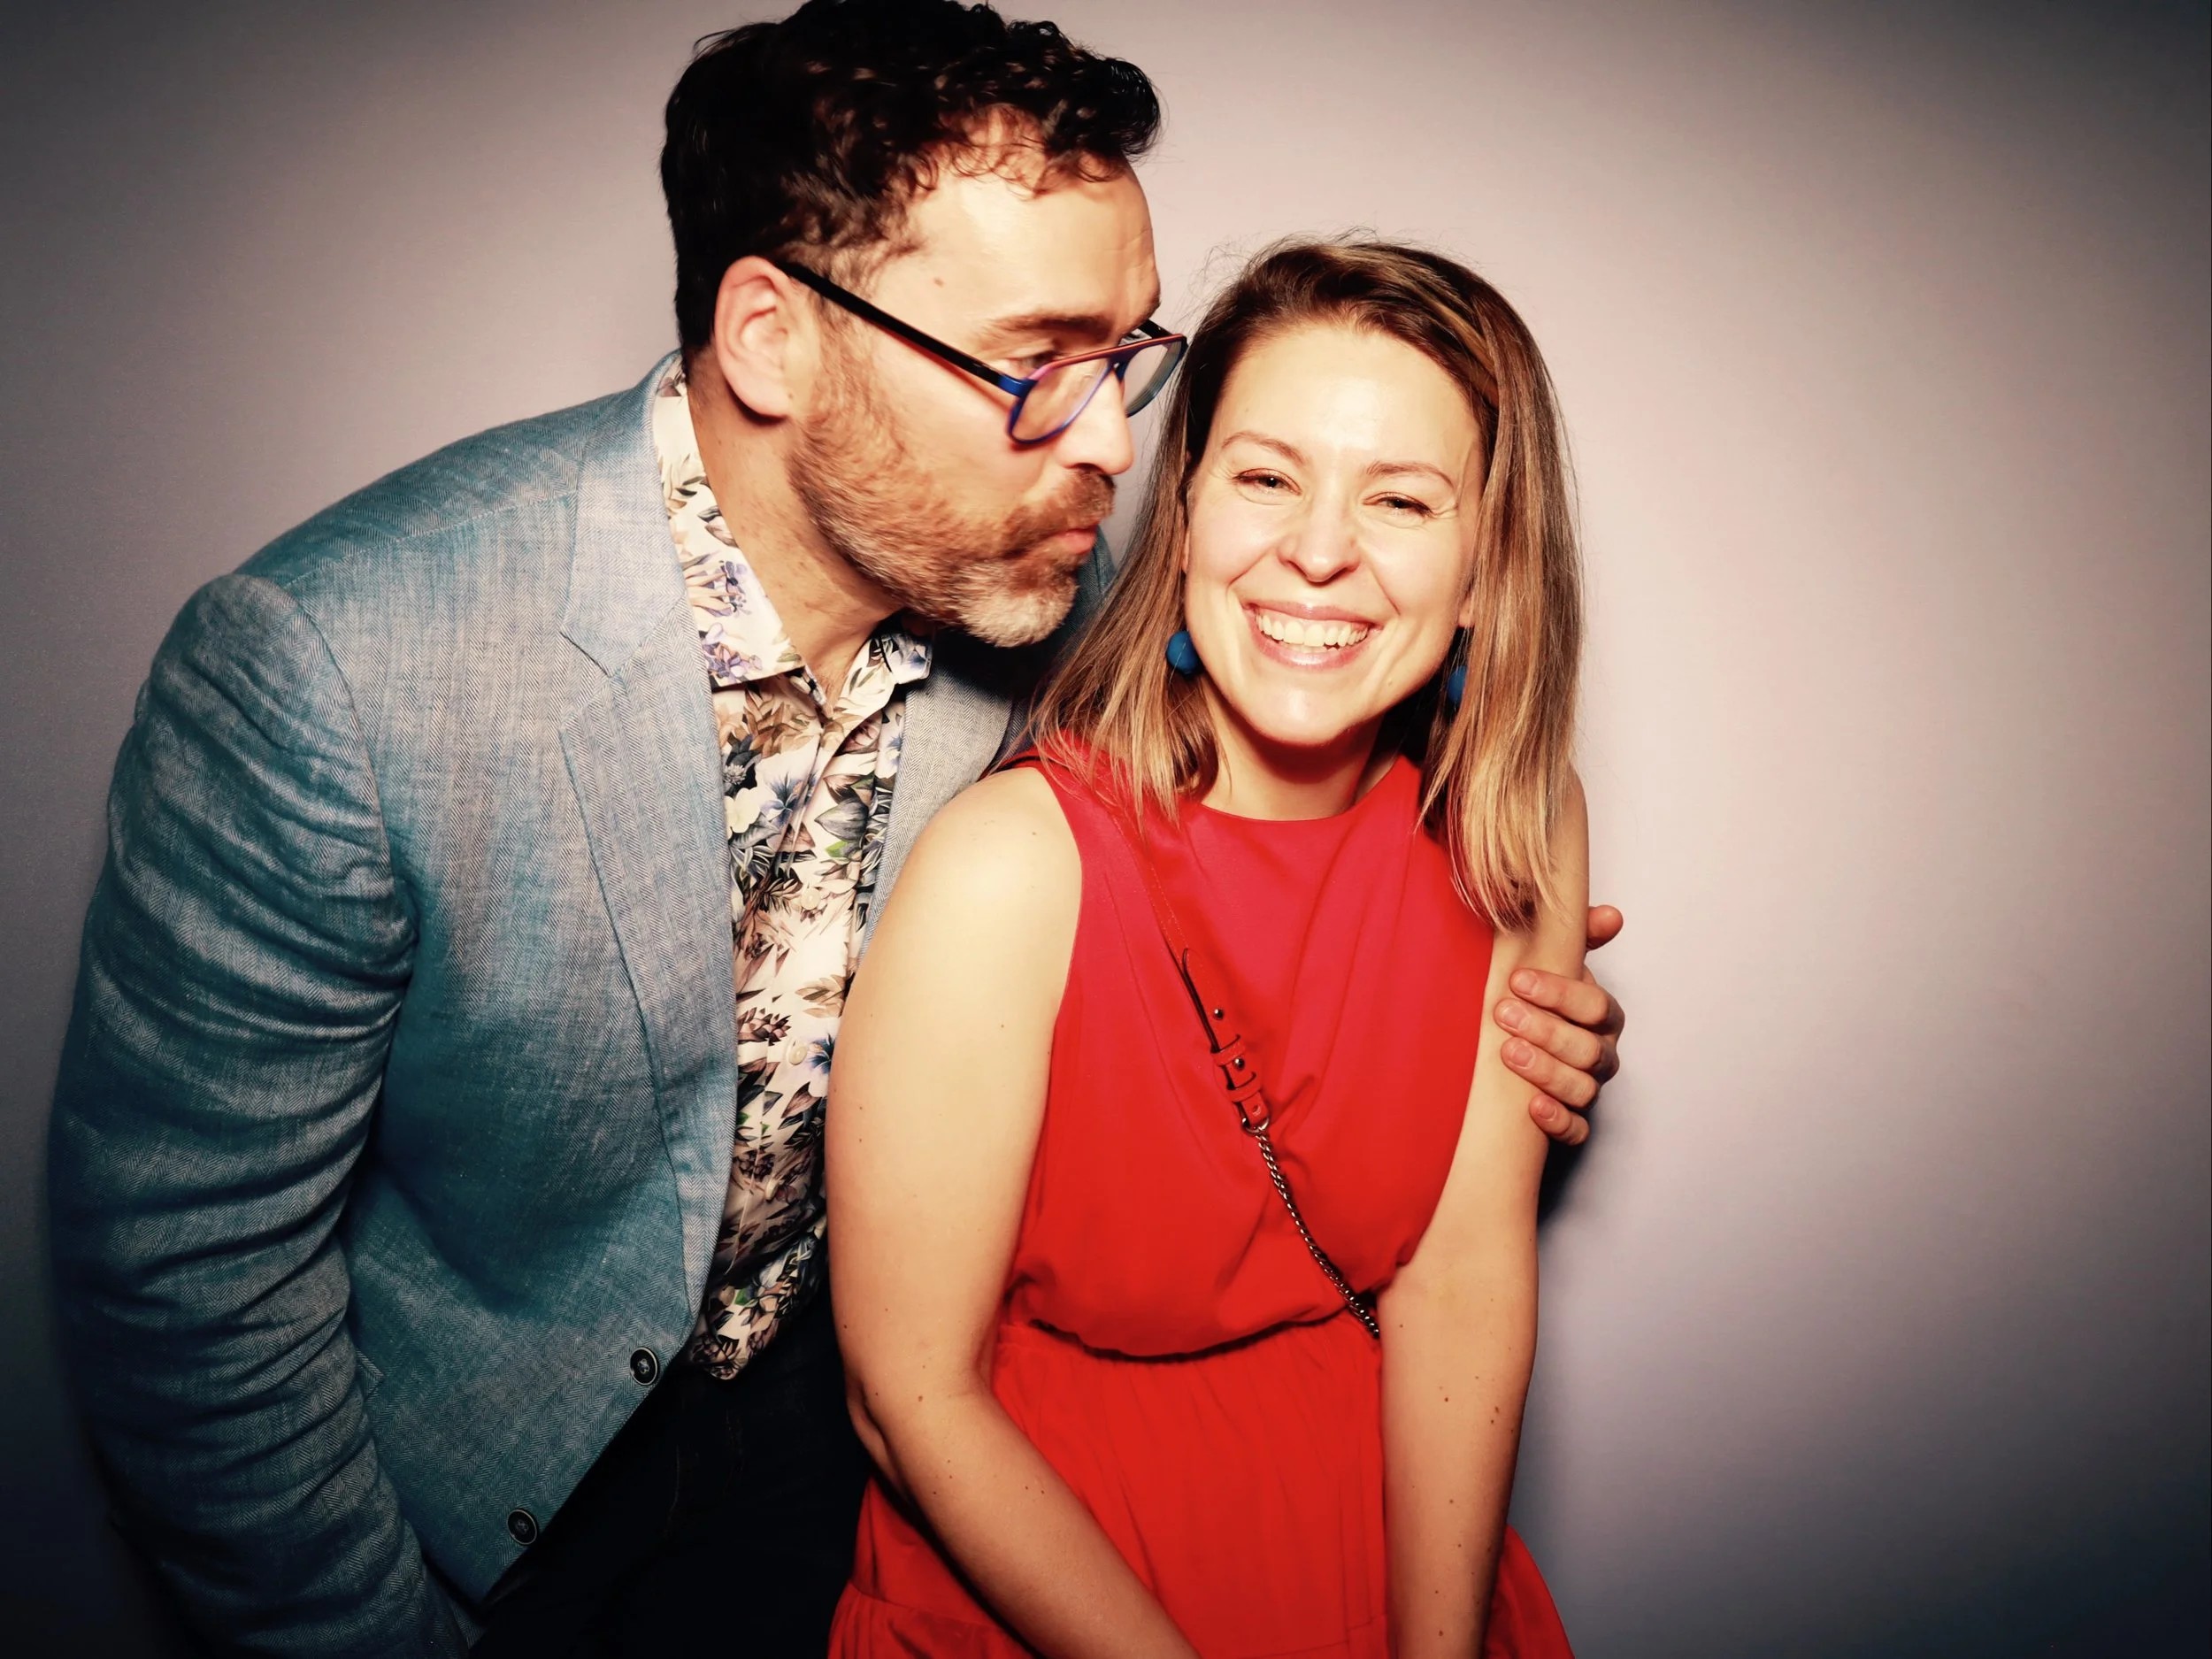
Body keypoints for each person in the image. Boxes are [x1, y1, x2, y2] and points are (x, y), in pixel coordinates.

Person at [45, 5, 1623, 1655]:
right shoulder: (334, 665)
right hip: (484, 1511)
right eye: (1038, 362)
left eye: (1129, 361)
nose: (1110, 444)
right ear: (772, 337)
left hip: (849, 1470)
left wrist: (1506, 999)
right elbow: (185, 1286)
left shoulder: (1051, 606)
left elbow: (1276, 843)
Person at [826, 239, 1585, 1657]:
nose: (1318, 550)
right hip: (1047, 1576)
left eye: (1404, 499)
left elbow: (1464, 1285)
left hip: (1385, 1546)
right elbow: (910, 1394)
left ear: (1485, 566)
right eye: (1266, 475)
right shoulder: (1012, 866)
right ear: (1180, 512)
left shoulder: (1513, 827)